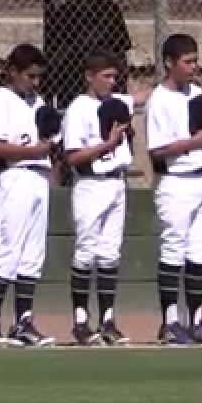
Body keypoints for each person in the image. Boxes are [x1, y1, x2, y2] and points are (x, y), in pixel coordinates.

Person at [147, 34, 202, 344]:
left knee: (199, 252)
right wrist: (193, 143)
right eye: (187, 61)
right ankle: (170, 322)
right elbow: (157, 151)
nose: (194, 66)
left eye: (196, 60)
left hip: (201, 181)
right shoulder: (159, 98)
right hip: (175, 182)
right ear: (169, 63)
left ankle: (195, 321)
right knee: (174, 249)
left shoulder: (196, 93)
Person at [0, 44, 57, 348]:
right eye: (30, 76)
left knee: (33, 254)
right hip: (14, 175)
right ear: (12, 72)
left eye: (39, 76)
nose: (35, 82)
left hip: (38, 177)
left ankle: (23, 322)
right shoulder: (2, 100)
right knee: (8, 249)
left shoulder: (38, 101)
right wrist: (32, 151)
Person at [61, 52, 135, 346]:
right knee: (86, 251)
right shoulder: (79, 108)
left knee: (109, 253)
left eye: (114, 76)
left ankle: (107, 320)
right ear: (89, 76)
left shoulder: (116, 105)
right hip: (90, 184)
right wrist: (107, 145)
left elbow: (142, 98)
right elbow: (73, 156)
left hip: (116, 183)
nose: (111, 81)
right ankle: (80, 321)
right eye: (105, 76)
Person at [47, 0, 132, 108]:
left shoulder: (109, 10)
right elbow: (54, 54)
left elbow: (121, 53)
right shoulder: (64, 13)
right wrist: (79, 47)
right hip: (72, 79)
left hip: (105, 80)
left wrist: (121, 88)